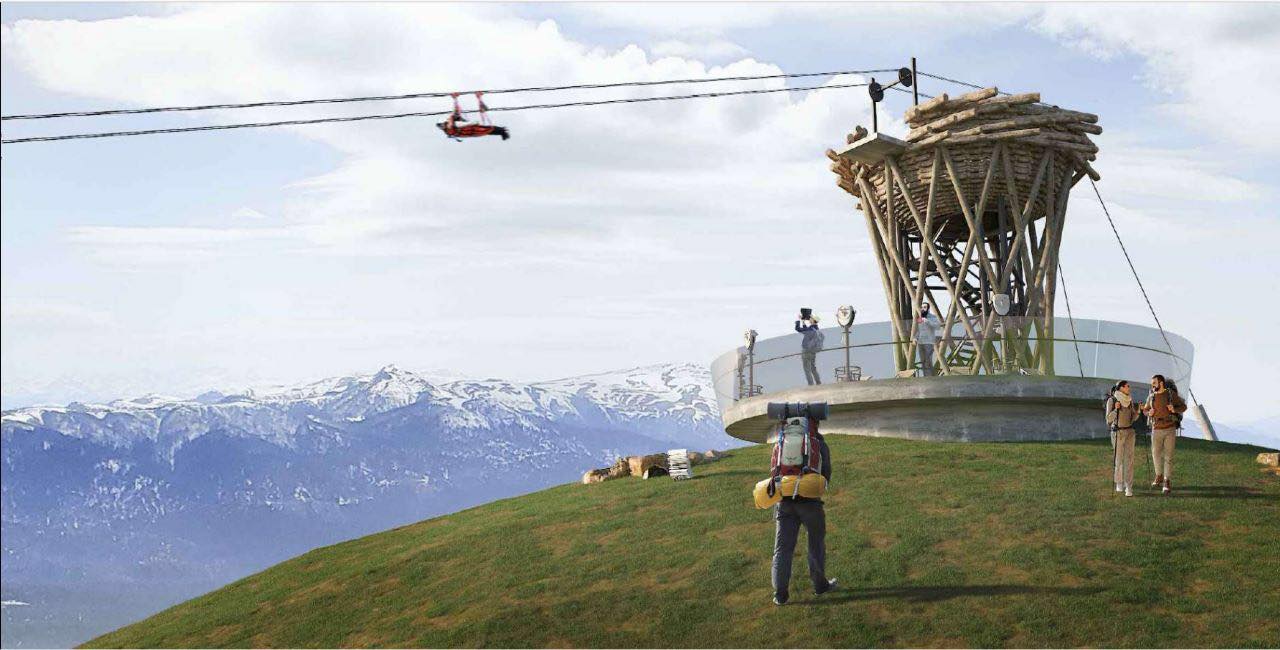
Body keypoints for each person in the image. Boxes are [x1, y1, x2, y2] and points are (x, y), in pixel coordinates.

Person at [772, 422, 837, 605]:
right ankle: (820, 586)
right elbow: (826, 475)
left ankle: (780, 595)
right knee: (815, 545)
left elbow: (774, 471)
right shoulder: (819, 443)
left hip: (784, 502)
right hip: (810, 503)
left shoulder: (780, 442)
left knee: (782, 549)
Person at [1141, 374, 1187, 495]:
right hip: (1156, 429)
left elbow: (1183, 407)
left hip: (1169, 429)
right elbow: (1145, 410)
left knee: (1168, 456)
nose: (1152, 385)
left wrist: (1174, 409)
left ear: (1161, 383)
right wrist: (1148, 412)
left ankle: (1167, 481)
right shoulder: (1151, 396)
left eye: (1154, 383)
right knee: (1155, 454)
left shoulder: (1170, 394)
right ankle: (1159, 476)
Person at [1106, 380, 1141, 497]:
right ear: (1121, 388)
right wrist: (1116, 409)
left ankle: (1128, 486)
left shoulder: (1129, 400)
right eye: (1127, 386)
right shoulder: (1112, 400)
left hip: (1130, 432)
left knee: (1129, 460)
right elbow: (1108, 419)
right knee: (1119, 460)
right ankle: (1119, 483)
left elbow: (1133, 418)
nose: (1129, 388)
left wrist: (1138, 411)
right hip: (1118, 433)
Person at [795, 313, 824, 386]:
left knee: (806, 368)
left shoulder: (810, 329)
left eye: (811, 318)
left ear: (813, 321)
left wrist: (798, 320)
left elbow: (798, 329)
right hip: (813, 351)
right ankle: (818, 382)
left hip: (806, 351)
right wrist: (803, 322)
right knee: (813, 368)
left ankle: (811, 384)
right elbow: (806, 330)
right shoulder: (816, 329)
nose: (809, 319)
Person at [915, 303, 941, 376]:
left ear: (928, 309)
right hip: (920, 342)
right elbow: (919, 330)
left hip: (929, 342)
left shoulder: (933, 317)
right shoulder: (920, 318)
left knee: (928, 361)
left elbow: (938, 327)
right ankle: (926, 377)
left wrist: (928, 321)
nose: (923, 309)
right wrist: (915, 338)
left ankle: (931, 377)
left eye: (925, 307)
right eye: (922, 307)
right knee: (923, 361)